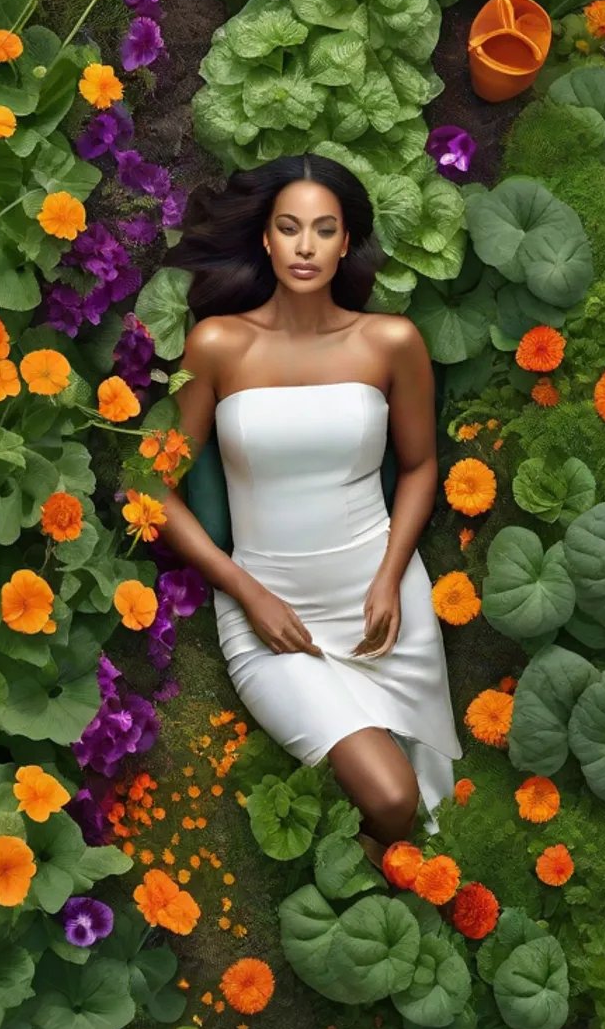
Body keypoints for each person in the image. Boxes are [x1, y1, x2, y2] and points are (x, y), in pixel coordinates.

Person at [155, 152, 464, 870]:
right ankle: (350, 854)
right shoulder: (219, 345)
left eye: (323, 230)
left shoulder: (390, 341)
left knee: (428, 804)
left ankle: (370, 864)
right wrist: (244, 589)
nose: (304, 246)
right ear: (265, 238)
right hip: (271, 606)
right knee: (391, 800)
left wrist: (390, 577)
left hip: (378, 596)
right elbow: (152, 489)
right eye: (288, 227)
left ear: (346, 241)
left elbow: (419, 467)